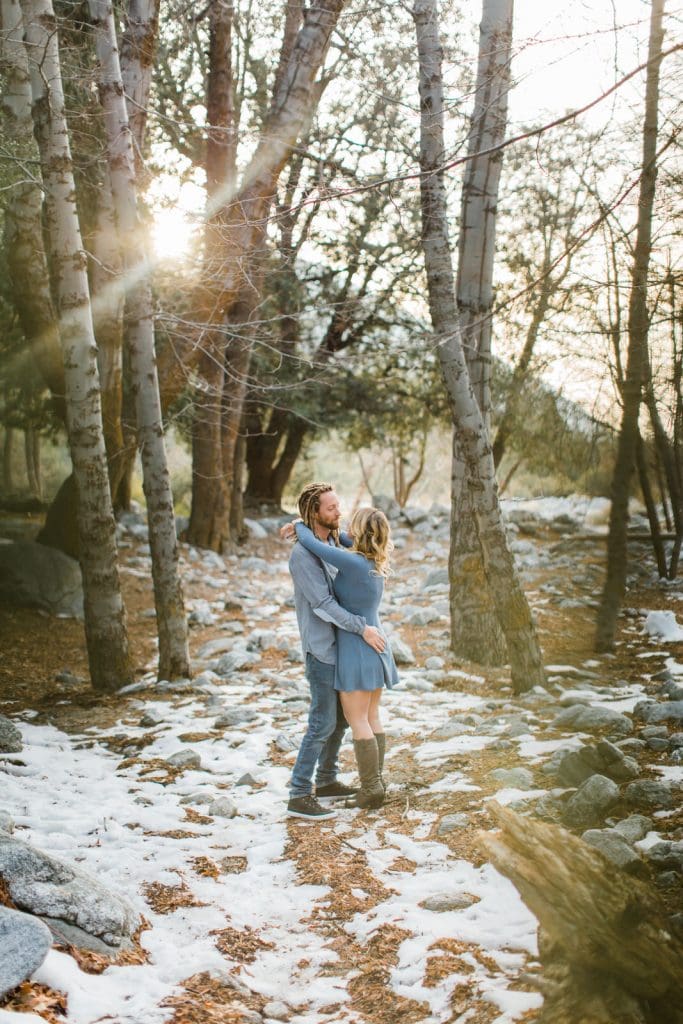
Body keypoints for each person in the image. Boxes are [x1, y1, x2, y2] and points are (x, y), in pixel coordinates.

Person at [285, 482, 386, 820]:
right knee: (322, 721)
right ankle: (299, 793)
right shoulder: (302, 555)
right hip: (323, 648)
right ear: (315, 513)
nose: (338, 512)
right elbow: (323, 604)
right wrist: (362, 627)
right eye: (330, 508)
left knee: (343, 720)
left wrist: (298, 527)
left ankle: (326, 781)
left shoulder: (334, 542)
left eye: (338, 506)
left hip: (346, 646)